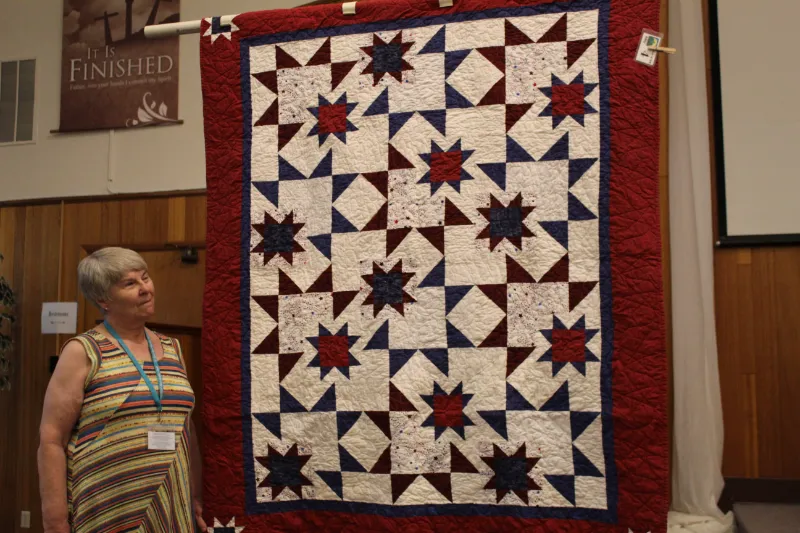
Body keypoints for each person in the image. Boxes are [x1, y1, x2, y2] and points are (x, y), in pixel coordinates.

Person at [38, 247, 205, 533]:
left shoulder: (173, 348)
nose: (145, 289)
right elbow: (52, 439)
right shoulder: (83, 351)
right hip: (105, 508)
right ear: (103, 299)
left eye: (145, 278)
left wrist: (194, 496)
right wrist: (54, 522)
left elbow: (186, 428)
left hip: (170, 506)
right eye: (130, 283)